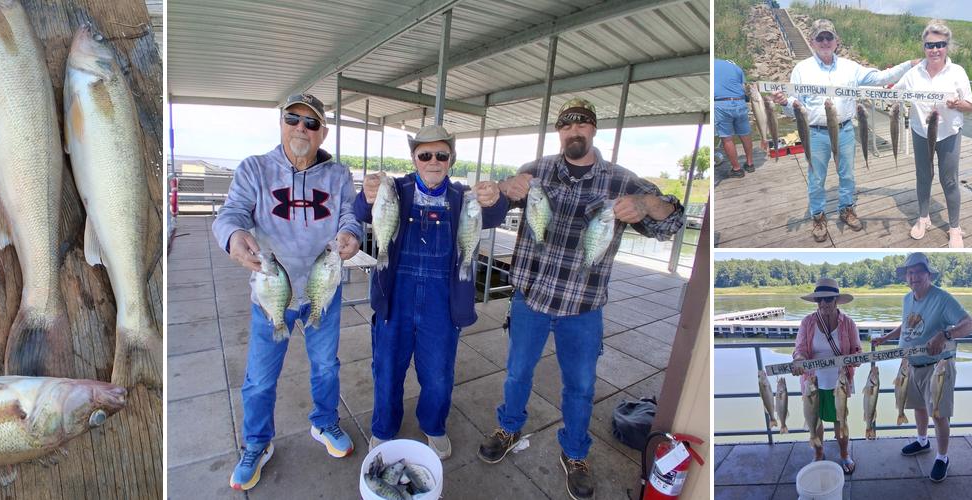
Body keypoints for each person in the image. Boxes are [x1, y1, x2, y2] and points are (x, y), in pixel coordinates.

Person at [473, 98, 686, 500]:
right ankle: (509, 426)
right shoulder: (535, 172)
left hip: (583, 307)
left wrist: (646, 205)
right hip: (530, 298)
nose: (574, 132)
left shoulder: (622, 181)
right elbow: (493, 211)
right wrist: (499, 189)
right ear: (559, 132)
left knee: (582, 386)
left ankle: (574, 452)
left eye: (582, 125)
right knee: (517, 372)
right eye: (566, 126)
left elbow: (671, 223)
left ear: (593, 130)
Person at [213, 94, 363, 490]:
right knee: (260, 378)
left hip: (321, 291)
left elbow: (351, 213)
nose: (301, 128)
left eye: (311, 123)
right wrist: (234, 236)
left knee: (326, 366)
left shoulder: (338, 175)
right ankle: (258, 444)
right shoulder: (254, 169)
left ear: (323, 133)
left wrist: (352, 232)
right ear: (281, 123)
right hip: (272, 292)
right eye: (293, 118)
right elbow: (231, 214)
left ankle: (325, 422)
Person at [354, 125, 507, 459]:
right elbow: (363, 211)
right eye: (425, 155)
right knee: (387, 369)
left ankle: (434, 425)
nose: (433, 161)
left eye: (441, 154)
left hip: (441, 301)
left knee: (438, 375)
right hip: (396, 297)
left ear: (451, 159)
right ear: (414, 158)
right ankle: (383, 428)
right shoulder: (395, 189)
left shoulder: (462, 196)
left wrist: (497, 198)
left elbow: (494, 214)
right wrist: (367, 193)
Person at [771, 19, 917, 243]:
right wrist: (783, 102)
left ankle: (847, 208)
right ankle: (818, 216)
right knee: (816, 178)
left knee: (847, 175)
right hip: (815, 133)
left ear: (837, 41)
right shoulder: (801, 69)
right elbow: (795, 108)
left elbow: (880, 78)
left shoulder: (851, 67)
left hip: (846, 130)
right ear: (812, 41)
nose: (825, 41)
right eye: (820, 38)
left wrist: (909, 64)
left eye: (829, 37)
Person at [870, 252, 972, 482]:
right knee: (918, 407)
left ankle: (942, 457)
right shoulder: (907, 298)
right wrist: (886, 338)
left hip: (937, 368)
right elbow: (906, 324)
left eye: (919, 272)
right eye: (909, 272)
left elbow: (970, 324)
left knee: (938, 414)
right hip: (910, 366)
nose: (913, 276)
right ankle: (922, 441)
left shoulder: (942, 298)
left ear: (928, 274)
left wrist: (945, 334)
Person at [894, 20, 972, 248]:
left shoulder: (958, 72)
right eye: (930, 45)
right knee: (923, 176)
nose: (935, 49)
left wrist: (958, 103)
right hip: (921, 133)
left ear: (947, 46)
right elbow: (892, 93)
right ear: (924, 47)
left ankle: (954, 227)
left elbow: (971, 105)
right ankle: (923, 218)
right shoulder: (913, 74)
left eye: (940, 44)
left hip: (949, 134)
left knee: (949, 180)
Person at [790, 278, 861, 474]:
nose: (823, 304)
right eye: (819, 300)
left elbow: (857, 351)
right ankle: (818, 454)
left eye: (828, 299)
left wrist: (854, 359)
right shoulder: (808, 322)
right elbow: (800, 349)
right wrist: (799, 360)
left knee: (840, 420)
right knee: (816, 420)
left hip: (840, 380)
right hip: (813, 381)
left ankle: (845, 454)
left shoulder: (848, 323)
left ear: (836, 300)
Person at [714, 58, 754, 179]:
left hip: (721, 104)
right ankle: (750, 163)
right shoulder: (736, 68)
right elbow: (743, 87)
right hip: (740, 103)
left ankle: (737, 169)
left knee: (727, 139)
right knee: (745, 134)